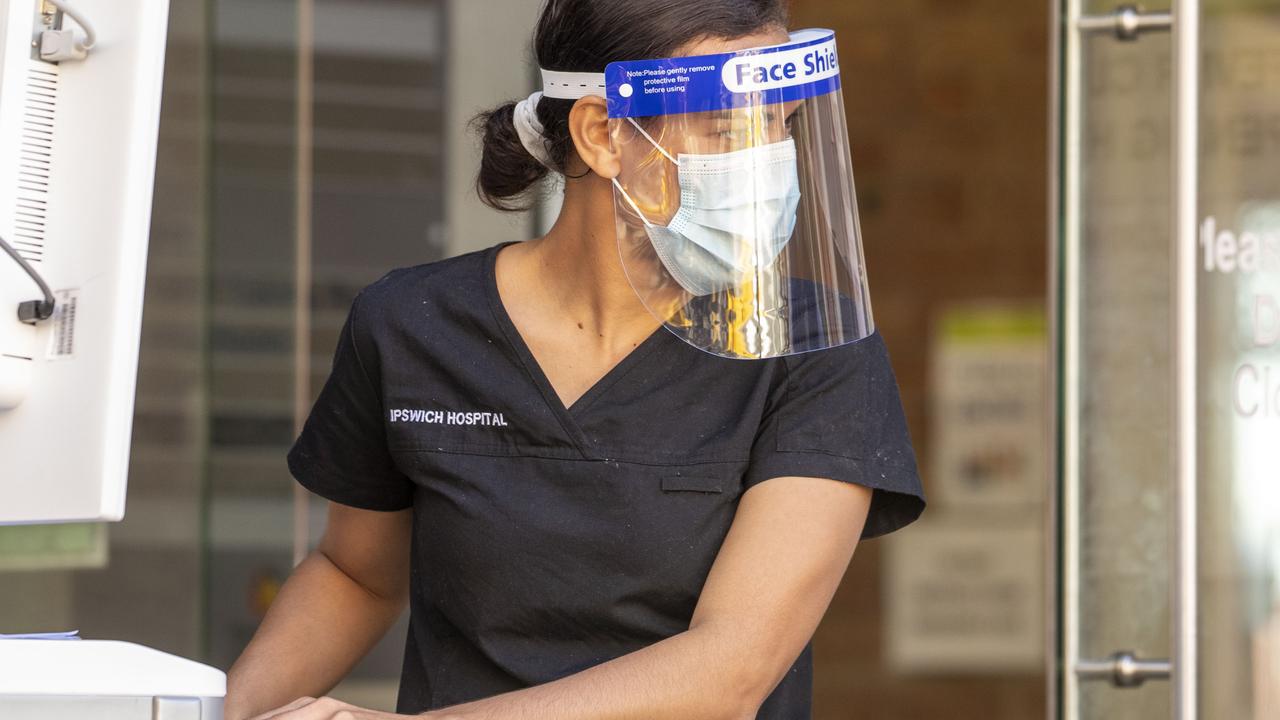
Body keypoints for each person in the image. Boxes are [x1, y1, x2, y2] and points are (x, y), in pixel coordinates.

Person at [224, 1, 926, 718]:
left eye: (782, 125)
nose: (771, 159)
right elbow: (354, 575)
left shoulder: (813, 349)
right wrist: (229, 712)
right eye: (730, 128)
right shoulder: (412, 325)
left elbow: (731, 670)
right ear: (602, 134)